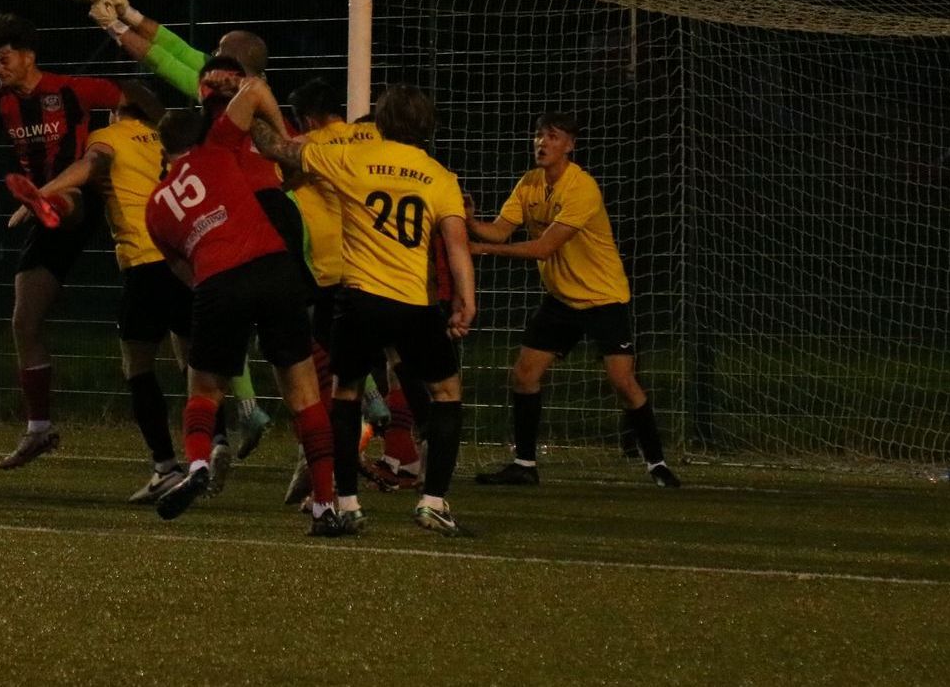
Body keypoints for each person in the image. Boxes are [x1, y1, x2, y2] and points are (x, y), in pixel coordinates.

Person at [236, 79, 477, 537]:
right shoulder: (439, 175)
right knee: (446, 393)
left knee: (345, 396)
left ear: (381, 122)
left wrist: (252, 111)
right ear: (427, 126)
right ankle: (433, 500)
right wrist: (466, 299)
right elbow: (456, 243)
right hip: (412, 304)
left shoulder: (352, 157)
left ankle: (345, 503)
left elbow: (280, 152)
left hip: (358, 300)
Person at [141, 104, 346, 536]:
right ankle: (326, 506)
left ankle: (197, 464)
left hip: (217, 280)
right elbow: (252, 90)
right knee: (305, 394)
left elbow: (185, 272)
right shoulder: (219, 151)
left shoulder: (155, 205)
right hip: (275, 269)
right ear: (200, 137)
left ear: (164, 149)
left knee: (204, 390)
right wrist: (282, 135)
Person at [84, 0, 277, 450]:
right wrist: (128, 12)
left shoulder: (220, 92)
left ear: (231, 63)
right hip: (270, 202)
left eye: (217, 52)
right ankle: (366, 405)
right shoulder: (248, 86)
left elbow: (161, 61)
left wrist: (112, 27)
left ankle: (246, 413)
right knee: (292, 317)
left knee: (220, 304)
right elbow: (174, 47)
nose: (207, 57)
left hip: (238, 209)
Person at [0, 13, 127, 469]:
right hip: (39, 218)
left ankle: (46, 202)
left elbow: (127, 97)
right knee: (24, 320)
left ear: (28, 56)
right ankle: (39, 429)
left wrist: (130, 135)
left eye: (4, 60)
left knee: (69, 198)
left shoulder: (71, 90)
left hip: (80, 197)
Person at [467, 113, 681, 489]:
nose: (542, 143)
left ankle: (656, 463)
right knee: (524, 374)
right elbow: (500, 231)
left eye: (552, 137)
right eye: (538, 135)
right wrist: (471, 222)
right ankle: (524, 464)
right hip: (561, 298)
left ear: (570, 145)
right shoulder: (529, 183)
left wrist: (481, 249)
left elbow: (543, 247)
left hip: (602, 296)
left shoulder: (581, 188)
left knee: (622, 381)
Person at [15, 82, 197, 502]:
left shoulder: (107, 137)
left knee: (137, 366)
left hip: (143, 262)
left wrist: (45, 193)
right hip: (186, 261)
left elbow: (90, 165)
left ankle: (165, 467)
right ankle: (212, 449)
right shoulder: (169, 141)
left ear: (117, 113)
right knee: (195, 365)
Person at [282, 79, 421, 498]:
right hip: (383, 263)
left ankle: (329, 472)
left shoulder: (311, 146)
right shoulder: (372, 134)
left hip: (329, 274)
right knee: (403, 359)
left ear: (305, 117)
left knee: (319, 369)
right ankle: (405, 453)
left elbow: (276, 176)